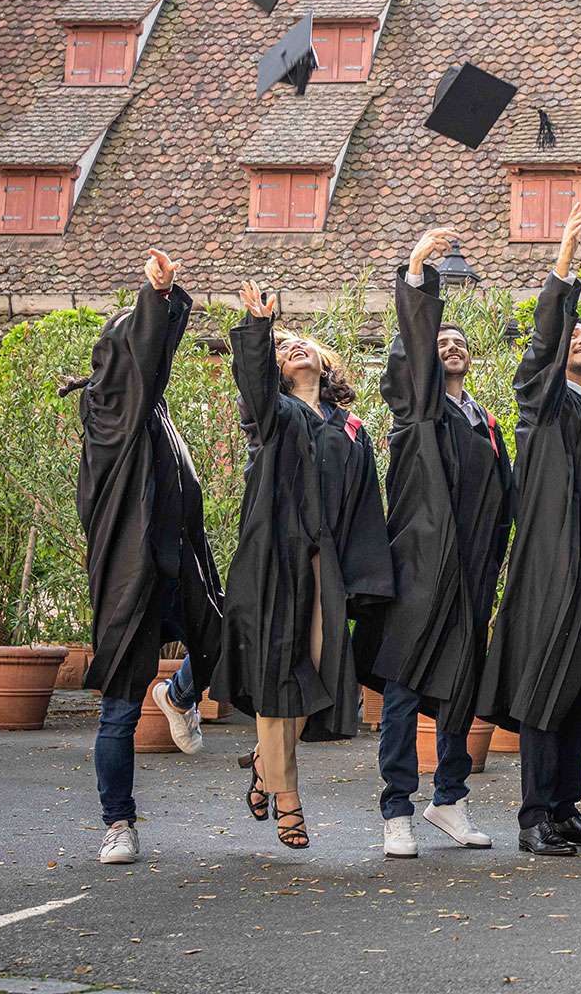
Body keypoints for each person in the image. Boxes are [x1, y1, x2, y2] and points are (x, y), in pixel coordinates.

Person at [478, 205, 581, 857]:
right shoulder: (541, 404)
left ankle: (567, 808)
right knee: (548, 681)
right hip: (553, 566)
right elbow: (544, 342)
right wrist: (564, 267)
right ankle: (534, 815)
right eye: (573, 336)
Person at [213, 281, 393, 849]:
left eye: (304, 343)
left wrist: (362, 581)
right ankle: (287, 795)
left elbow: (366, 503)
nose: (297, 348)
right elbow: (254, 388)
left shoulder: (350, 428)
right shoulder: (276, 413)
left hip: (326, 563)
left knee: (311, 667)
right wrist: (258, 329)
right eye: (284, 347)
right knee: (276, 669)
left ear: (325, 363)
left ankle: (265, 770)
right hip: (274, 555)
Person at [362, 228, 515, 858]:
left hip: (472, 575)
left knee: (461, 686)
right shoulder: (421, 413)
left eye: (459, 343)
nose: (449, 346)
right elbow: (411, 363)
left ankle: (448, 798)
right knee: (402, 687)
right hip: (422, 568)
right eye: (439, 341)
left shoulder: (484, 420)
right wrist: (419, 272)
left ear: (473, 361)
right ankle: (396, 807)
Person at [68, 250, 224, 864]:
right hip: (131, 573)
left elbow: (151, 360)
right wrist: (154, 295)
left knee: (227, 637)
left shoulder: (154, 410)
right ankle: (118, 823)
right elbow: (140, 354)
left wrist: (163, 304)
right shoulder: (108, 409)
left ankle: (182, 695)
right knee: (119, 707)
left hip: (175, 562)